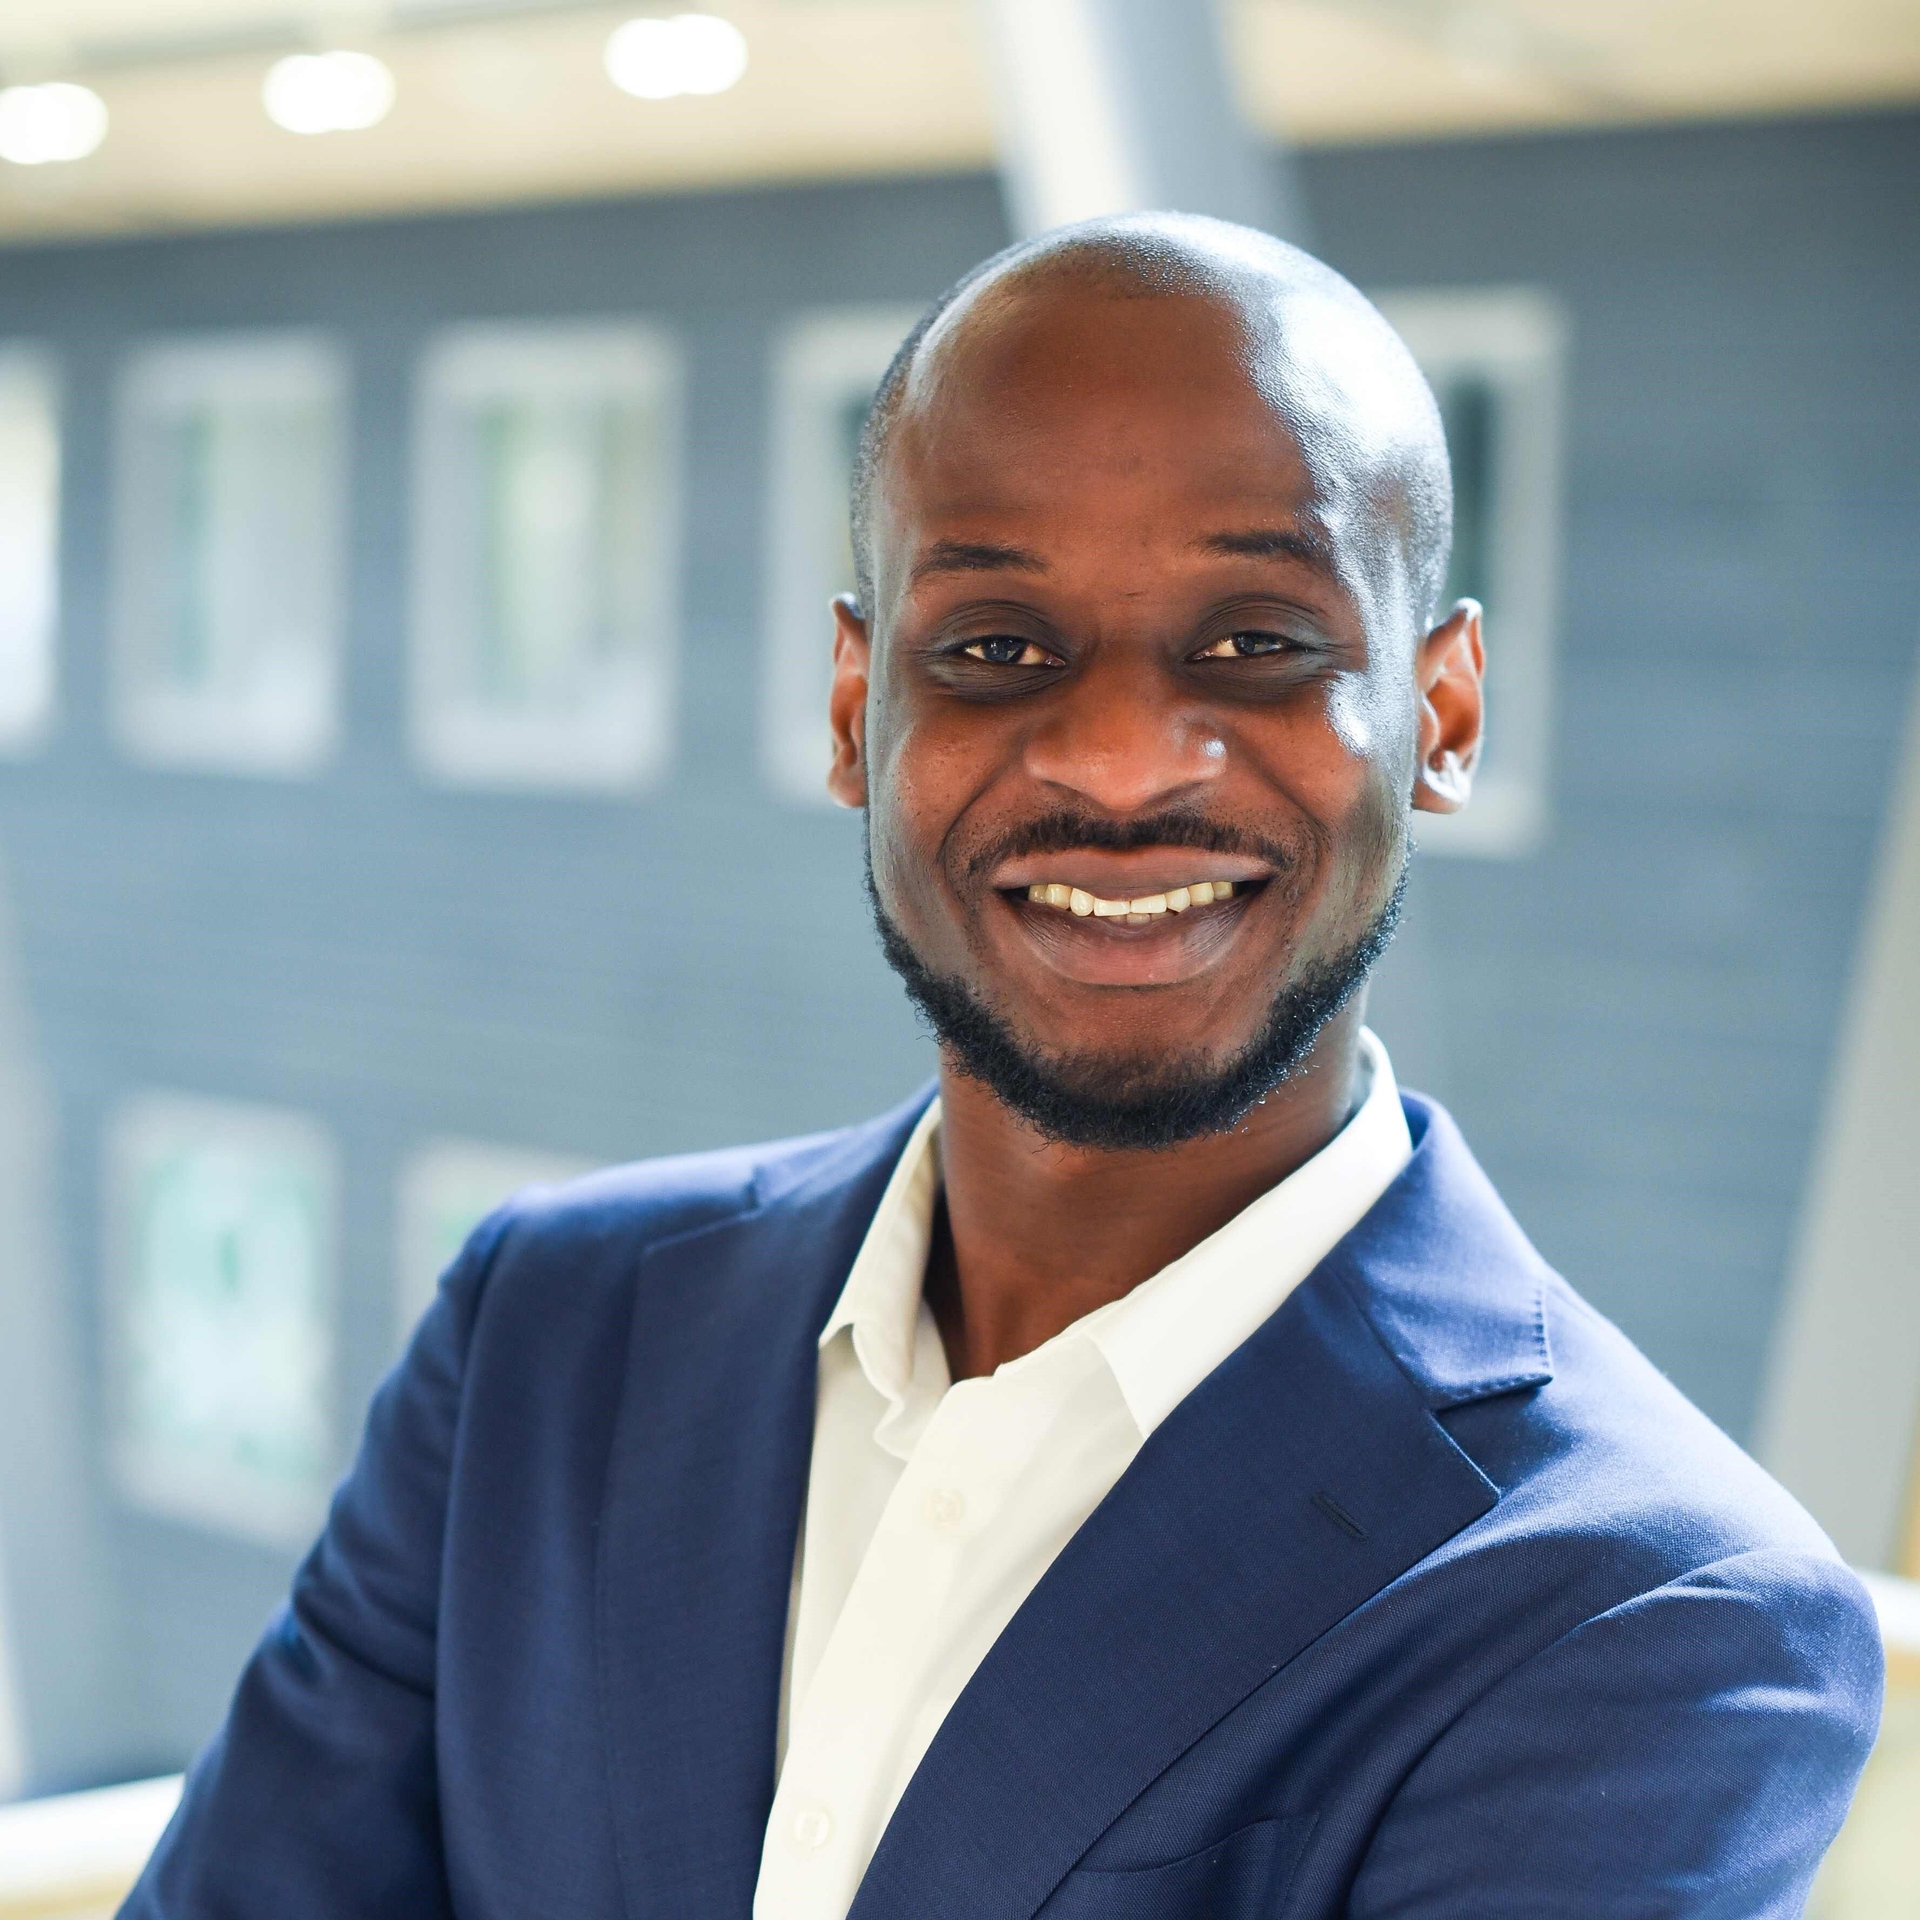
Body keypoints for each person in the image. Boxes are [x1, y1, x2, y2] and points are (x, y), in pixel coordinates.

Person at [124, 215, 1881, 1920]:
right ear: (853, 711)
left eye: (1257, 642)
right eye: (995, 649)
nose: (1120, 757)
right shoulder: (550, 1333)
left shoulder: (1654, 1617)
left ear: (1441, 718)